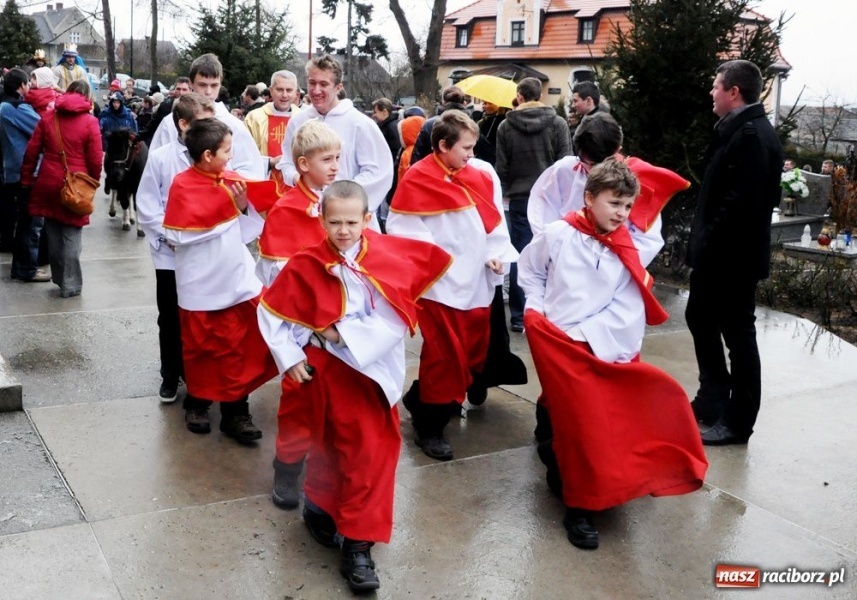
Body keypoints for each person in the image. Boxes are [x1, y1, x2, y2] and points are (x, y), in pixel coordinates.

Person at [257, 181, 452, 592]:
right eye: (334, 222)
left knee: (369, 455)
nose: (343, 230)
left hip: (369, 373)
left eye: (351, 221)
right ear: (321, 220)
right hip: (322, 374)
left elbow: (395, 317)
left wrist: (337, 335)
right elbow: (274, 313)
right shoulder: (305, 262)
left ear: (367, 219)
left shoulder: (385, 258)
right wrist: (289, 356)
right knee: (327, 446)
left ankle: (358, 545)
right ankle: (321, 510)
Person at [518, 158, 708, 550]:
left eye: (626, 206)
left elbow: (628, 304)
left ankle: (581, 499)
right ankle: (577, 496)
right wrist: (535, 309)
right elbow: (531, 270)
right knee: (574, 425)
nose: (621, 214)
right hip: (559, 341)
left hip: (599, 346)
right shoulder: (558, 234)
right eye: (613, 204)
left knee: (593, 424)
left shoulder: (629, 247)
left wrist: (589, 337)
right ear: (589, 198)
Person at [387, 110, 518, 461]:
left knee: (471, 352)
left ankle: (420, 399)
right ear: (443, 145)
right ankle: (430, 425)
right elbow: (405, 229)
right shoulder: (418, 179)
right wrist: (439, 260)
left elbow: (491, 223)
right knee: (444, 355)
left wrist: (494, 252)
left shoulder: (478, 176)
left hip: (474, 282)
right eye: (466, 148)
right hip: (439, 285)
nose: (471, 156)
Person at [686, 60, 784, 446]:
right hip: (716, 257)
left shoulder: (753, 137)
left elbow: (739, 208)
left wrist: (706, 244)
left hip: (732, 262)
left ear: (734, 92)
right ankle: (712, 398)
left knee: (738, 338)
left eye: (715, 87)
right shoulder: (736, 131)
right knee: (699, 317)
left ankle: (739, 421)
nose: (711, 93)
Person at [162, 118, 279, 441]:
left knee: (238, 347)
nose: (231, 156)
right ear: (207, 156)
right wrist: (225, 208)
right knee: (202, 349)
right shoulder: (182, 185)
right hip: (200, 283)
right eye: (227, 151)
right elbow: (177, 235)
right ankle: (198, 403)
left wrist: (241, 207)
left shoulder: (231, 181)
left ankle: (236, 411)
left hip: (235, 278)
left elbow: (244, 231)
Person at [256, 120, 341, 510]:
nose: (336, 166)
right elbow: (279, 284)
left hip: (338, 328)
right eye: (328, 159)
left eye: (338, 158)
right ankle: (287, 468)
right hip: (302, 330)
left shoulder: (336, 203)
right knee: (298, 404)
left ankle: (326, 467)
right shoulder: (288, 210)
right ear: (303, 164)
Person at [527, 112, 688, 268]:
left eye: (598, 165)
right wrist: (553, 247)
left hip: (608, 271)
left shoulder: (636, 182)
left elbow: (646, 241)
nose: (590, 170)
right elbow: (542, 208)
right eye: (585, 161)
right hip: (562, 261)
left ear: (618, 150)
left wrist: (605, 266)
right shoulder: (565, 170)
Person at [136, 93, 216, 403]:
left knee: (201, 314)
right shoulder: (161, 158)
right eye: (201, 122)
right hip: (169, 252)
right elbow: (147, 203)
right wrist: (168, 233)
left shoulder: (210, 157)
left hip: (203, 251)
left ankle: (197, 372)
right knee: (169, 315)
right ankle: (170, 374)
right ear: (183, 124)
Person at [276, 55, 393, 229]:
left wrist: (339, 197)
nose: (316, 90)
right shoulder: (298, 121)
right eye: (312, 83)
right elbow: (286, 162)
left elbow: (379, 173)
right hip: (306, 213)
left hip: (348, 221)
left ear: (338, 87)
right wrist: (300, 181)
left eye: (323, 84)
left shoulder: (359, 123)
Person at [495, 76, 571, 332]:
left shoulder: (506, 126)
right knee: (551, 256)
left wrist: (503, 193)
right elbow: (565, 162)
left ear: (519, 95)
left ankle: (519, 316)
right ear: (540, 94)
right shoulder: (558, 123)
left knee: (521, 255)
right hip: (550, 200)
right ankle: (548, 313)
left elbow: (502, 165)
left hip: (519, 198)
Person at [21, 79, 102, 298]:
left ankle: (59, 278)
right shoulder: (90, 122)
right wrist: (92, 181)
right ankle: (71, 285)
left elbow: (31, 152)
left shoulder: (48, 117)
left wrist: (27, 179)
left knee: (53, 232)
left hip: (47, 182)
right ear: (87, 97)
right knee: (72, 236)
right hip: (75, 184)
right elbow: (95, 159)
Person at [150, 54, 266, 179]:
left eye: (214, 85)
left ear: (220, 84)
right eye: (202, 85)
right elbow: (155, 169)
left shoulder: (234, 125)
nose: (208, 92)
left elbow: (251, 170)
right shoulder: (171, 122)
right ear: (191, 84)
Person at [1, 68, 46, 282]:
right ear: (21, 86)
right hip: (26, 172)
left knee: (23, 222)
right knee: (31, 224)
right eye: (28, 83)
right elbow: (42, 129)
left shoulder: (4, 106)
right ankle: (27, 268)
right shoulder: (16, 108)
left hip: (11, 171)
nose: (30, 87)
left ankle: (21, 267)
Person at [243, 70, 301, 187]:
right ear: (271, 91)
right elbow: (244, 155)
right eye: (279, 89)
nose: (284, 95)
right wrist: (270, 162)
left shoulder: (303, 119)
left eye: (289, 90)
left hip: (296, 185)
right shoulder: (254, 118)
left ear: (296, 93)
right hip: (263, 183)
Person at [138, 77, 191, 147]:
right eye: (178, 89)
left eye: (184, 89)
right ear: (175, 89)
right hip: (167, 143)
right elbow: (154, 125)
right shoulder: (165, 106)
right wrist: (139, 136)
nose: (181, 92)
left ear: (190, 90)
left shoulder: (196, 108)